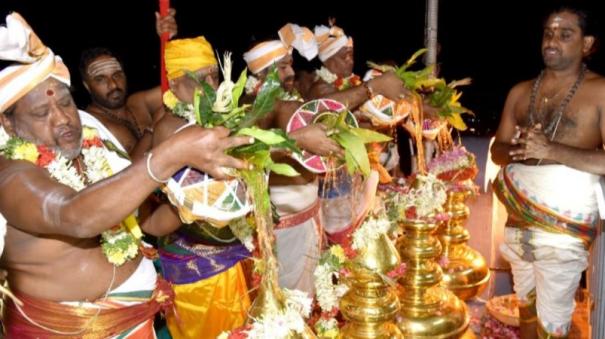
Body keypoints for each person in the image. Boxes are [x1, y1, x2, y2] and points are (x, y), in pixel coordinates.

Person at [0, 12, 251, 337]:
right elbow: (72, 214)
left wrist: (199, 199)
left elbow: (149, 222)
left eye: (64, 103)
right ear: (8, 124)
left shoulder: (93, 150)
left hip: (140, 318)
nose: (62, 118)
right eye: (41, 113)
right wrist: (169, 156)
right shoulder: (10, 176)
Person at [490, 5, 604, 338]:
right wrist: (519, 149)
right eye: (548, 33)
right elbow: (497, 150)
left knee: (552, 325)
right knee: (526, 314)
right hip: (518, 221)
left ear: (587, 44)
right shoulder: (520, 92)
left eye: (565, 34)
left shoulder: (600, 92)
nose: (552, 41)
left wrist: (550, 150)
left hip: (561, 228)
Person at [152, 36, 252, 339]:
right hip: (197, 268)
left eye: (214, 74)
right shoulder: (171, 127)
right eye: (200, 78)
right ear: (177, 85)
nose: (211, 84)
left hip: (229, 249)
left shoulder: (216, 116)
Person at [243, 23, 345, 295]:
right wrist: (371, 89)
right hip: (286, 226)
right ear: (260, 77)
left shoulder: (288, 99)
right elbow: (250, 154)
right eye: (282, 67)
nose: (290, 72)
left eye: (290, 64)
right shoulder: (258, 108)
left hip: (308, 214)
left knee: (307, 295)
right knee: (293, 300)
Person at [78, 8, 177, 160]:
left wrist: (168, 41)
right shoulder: (90, 124)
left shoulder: (138, 103)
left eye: (117, 75)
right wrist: (154, 129)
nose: (113, 85)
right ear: (86, 86)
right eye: (101, 79)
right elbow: (125, 174)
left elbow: (178, 87)